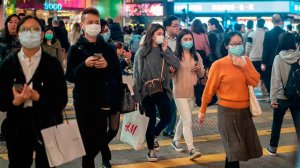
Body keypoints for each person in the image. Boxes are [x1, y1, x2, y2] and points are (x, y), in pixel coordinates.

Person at [0, 15, 67, 168]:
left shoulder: (52, 64)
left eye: (35, 29)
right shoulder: (8, 64)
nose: (30, 33)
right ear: (18, 34)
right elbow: (1, 99)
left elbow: (61, 99)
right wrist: (14, 101)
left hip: (48, 125)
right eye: (25, 30)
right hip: (17, 126)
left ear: (42, 34)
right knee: (18, 164)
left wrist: (39, 97)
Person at [66, 8, 122, 168]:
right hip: (83, 101)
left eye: (96, 22)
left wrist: (106, 65)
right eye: (90, 22)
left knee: (98, 137)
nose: (94, 25)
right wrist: (84, 65)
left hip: (103, 99)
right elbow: (70, 76)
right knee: (86, 140)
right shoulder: (75, 49)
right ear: (82, 25)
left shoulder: (109, 48)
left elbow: (117, 75)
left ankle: (98, 154)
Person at [198, 31, 262, 168]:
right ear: (226, 46)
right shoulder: (218, 65)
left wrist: (244, 67)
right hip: (227, 113)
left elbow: (255, 81)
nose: (237, 46)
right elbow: (209, 89)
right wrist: (202, 110)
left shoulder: (247, 61)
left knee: (234, 153)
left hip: (245, 112)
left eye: (240, 43)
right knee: (234, 151)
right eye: (233, 44)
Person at [133, 23, 180, 162]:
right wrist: (137, 96)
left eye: (162, 34)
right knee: (151, 119)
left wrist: (165, 51)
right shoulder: (142, 52)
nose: (161, 36)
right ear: (151, 34)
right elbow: (136, 74)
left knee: (167, 116)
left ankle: (153, 135)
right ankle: (151, 151)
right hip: (146, 91)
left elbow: (176, 64)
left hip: (162, 88)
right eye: (158, 33)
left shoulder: (164, 50)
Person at [170, 29, 205, 160]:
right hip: (179, 92)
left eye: (190, 39)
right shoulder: (174, 56)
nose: (188, 41)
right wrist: (171, 71)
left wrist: (199, 70)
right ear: (180, 41)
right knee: (188, 121)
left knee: (184, 119)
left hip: (193, 92)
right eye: (185, 39)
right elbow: (170, 76)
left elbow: (202, 75)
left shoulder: (196, 56)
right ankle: (191, 149)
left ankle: (175, 140)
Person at [267, 32, 300, 156]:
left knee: (277, 123)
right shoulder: (298, 56)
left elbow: (275, 79)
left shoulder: (278, 58)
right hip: (297, 95)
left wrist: (273, 99)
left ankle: (272, 148)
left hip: (282, 96)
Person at [0, 14, 21, 141]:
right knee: (2, 106)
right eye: (10, 22)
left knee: (18, 105)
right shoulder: (1, 38)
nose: (13, 24)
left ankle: (15, 129)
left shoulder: (23, 39)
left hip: (19, 79)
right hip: (3, 79)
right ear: (6, 24)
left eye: (16, 22)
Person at [162, 15, 180, 138]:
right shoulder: (161, 40)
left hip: (176, 76)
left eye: (178, 25)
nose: (178, 28)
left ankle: (169, 129)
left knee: (173, 103)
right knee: (163, 103)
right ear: (167, 27)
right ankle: (164, 123)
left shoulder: (180, 40)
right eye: (175, 26)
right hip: (163, 76)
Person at [262, 14, 285, 95]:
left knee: (272, 78)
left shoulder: (268, 34)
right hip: (283, 59)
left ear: (272, 21)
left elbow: (266, 49)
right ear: (281, 21)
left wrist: (263, 62)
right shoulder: (285, 33)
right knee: (282, 78)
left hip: (271, 60)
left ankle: (272, 95)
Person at [246, 18, 268, 96]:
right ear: (263, 25)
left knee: (251, 76)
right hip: (263, 59)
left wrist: (246, 56)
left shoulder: (251, 34)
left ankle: (250, 92)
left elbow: (248, 46)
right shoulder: (266, 34)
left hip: (252, 59)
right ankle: (265, 92)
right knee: (264, 77)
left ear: (256, 24)